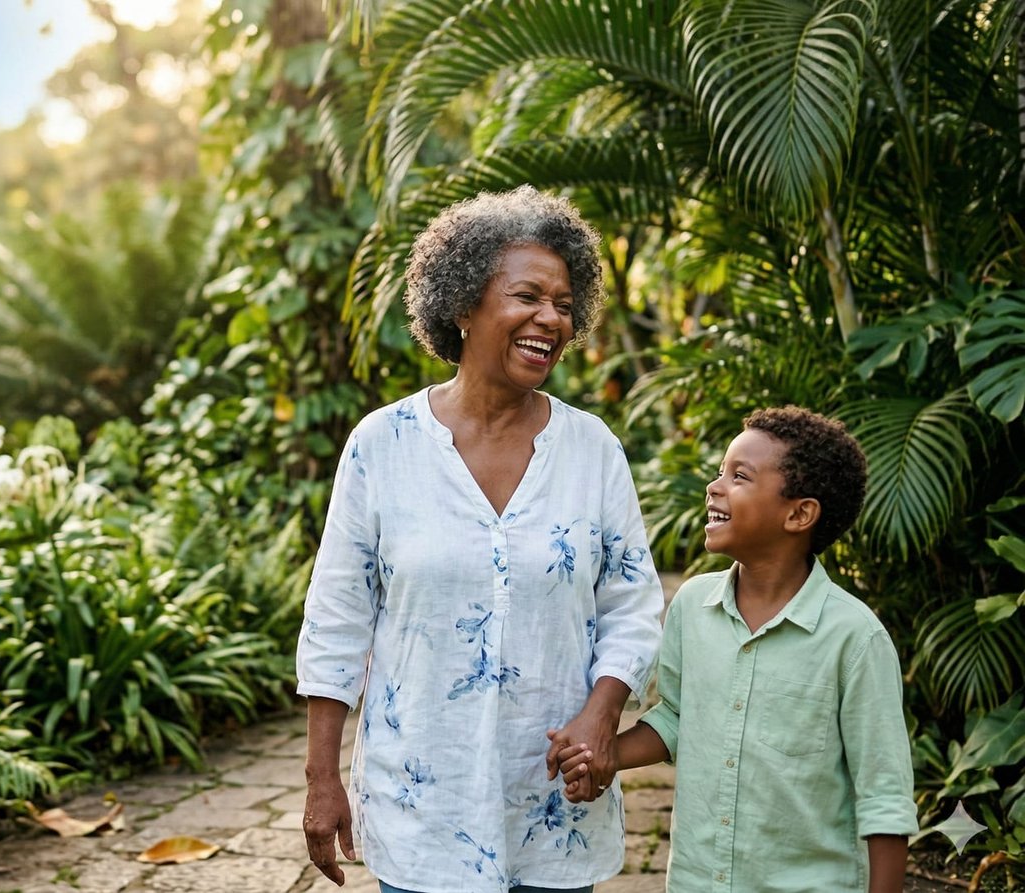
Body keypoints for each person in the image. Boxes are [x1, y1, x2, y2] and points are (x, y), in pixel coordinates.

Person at [297, 186, 663, 893]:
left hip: (555, 800)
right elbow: (336, 620)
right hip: (424, 803)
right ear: (462, 305)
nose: (550, 319)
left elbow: (633, 601)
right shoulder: (383, 445)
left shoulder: (591, 449)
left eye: (563, 303)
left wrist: (602, 712)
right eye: (527, 296)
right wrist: (322, 779)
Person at [551, 406, 917, 893]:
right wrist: (603, 755)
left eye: (739, 476)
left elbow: (884, 797)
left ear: (800, 513)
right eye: (720, 471)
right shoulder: (692, 606)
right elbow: (677, 720)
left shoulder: (854, 638)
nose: (714, 487)